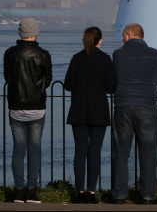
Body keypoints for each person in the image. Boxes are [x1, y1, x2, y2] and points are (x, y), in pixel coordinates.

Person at [111, 23, 157, 205]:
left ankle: (119, 194)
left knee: (121, 152)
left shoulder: (118, 55)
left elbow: (113, 80)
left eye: (123, 35)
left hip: (123, 106)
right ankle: (148, 195)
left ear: (128, 35)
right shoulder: (154, 53)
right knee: (148, 153)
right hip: (147, 107)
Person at [63, 26, 116, 204]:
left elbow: (68, 84)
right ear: (100, 40)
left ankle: (79, 192)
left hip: (79, 109)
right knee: (95, 152)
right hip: (99, 110)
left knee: (80, 151)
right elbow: (111, 87)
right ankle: (92, 193)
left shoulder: (76, 59)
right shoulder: (105, 60)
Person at [4, 17, 52, 204]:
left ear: (20, 33)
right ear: (36, 32)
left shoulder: (10, 53)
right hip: (37, 107)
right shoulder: (43, 54)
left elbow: (7, 76)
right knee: (34, 149)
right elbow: (47, 79)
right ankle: (32, 191)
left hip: (16, 106)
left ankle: (18, 190)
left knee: (18, 149)